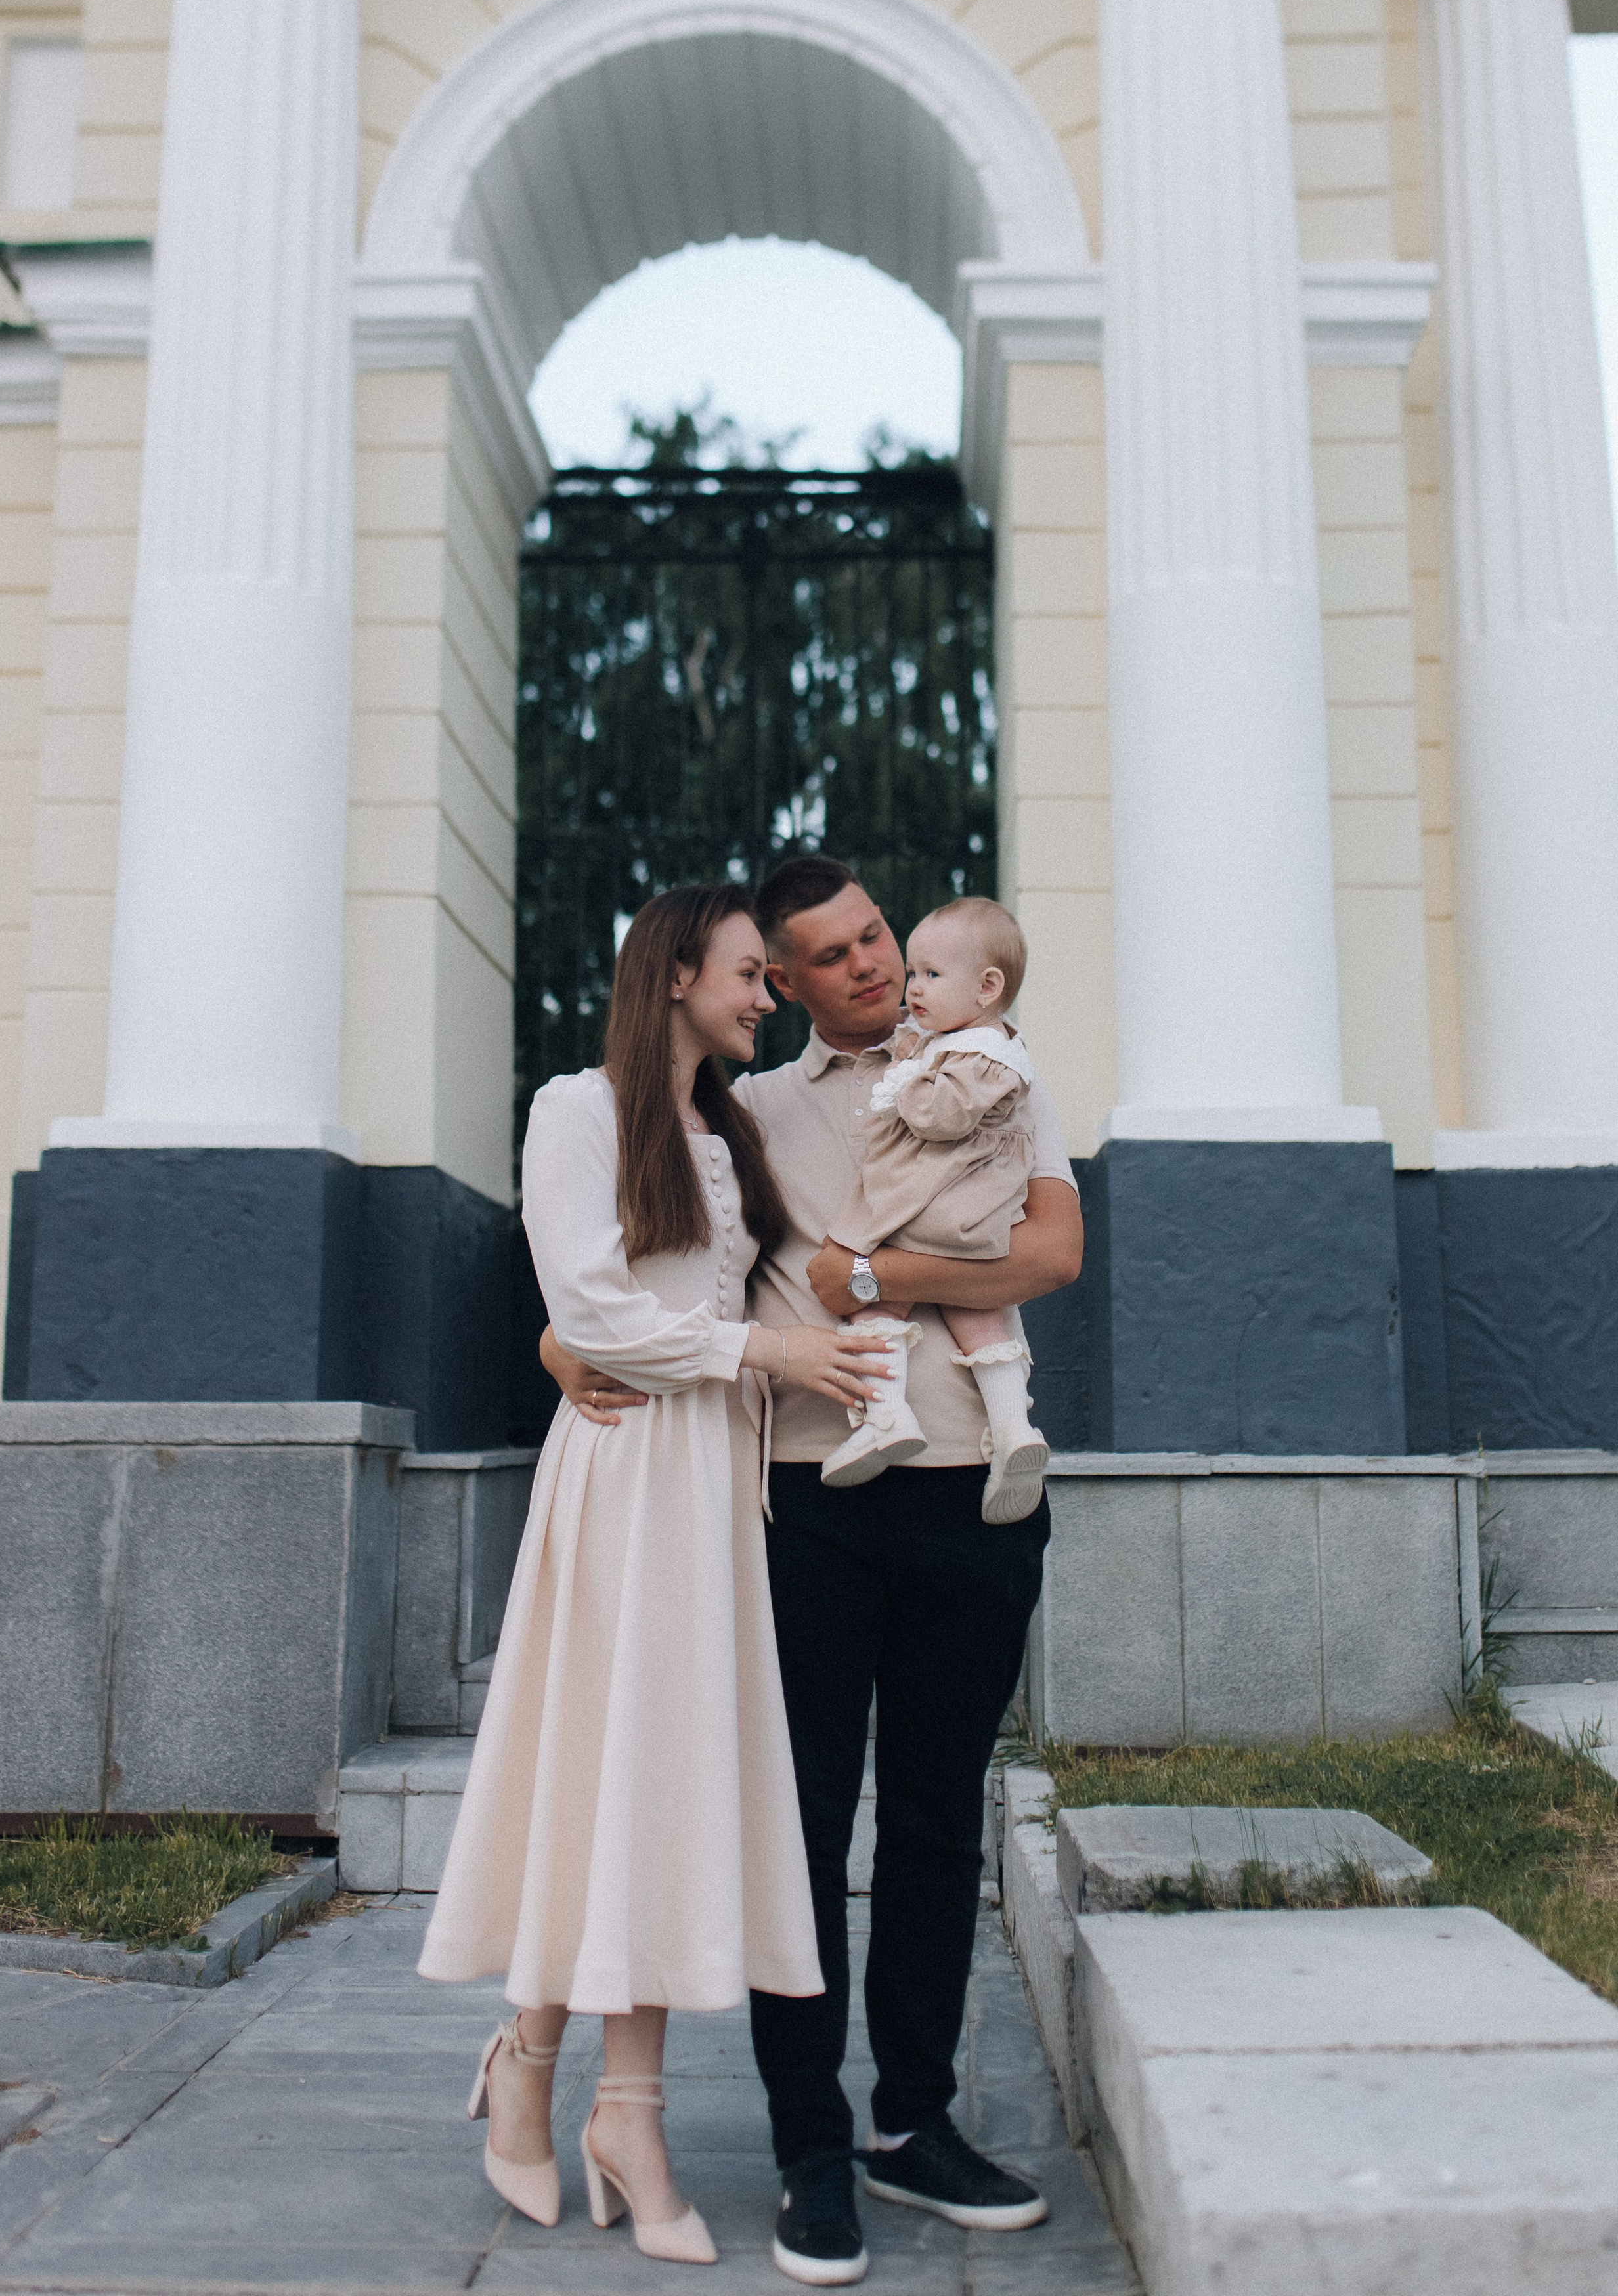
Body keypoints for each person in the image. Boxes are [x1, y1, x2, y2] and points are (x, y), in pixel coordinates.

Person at [546, 857, 1083, 2286]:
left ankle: (914, 2123)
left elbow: (1052, 1251)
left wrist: (874, 1280)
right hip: (806, 1505)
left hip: (977, 1491)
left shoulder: (998, 1066)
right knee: (800, 1827)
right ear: (777, 982)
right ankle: (810, 2149)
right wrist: (558, 1342)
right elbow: (659, 1269)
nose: (870, 964)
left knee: (936, 1822)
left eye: (877, 936)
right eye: (832, 954)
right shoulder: (749, 1112)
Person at [420, 884, 892, 2268]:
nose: (766, 994)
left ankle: (611, 2104)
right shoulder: (578, 1109)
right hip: (628, 1474)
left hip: (718, 1485)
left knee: (665, 1783)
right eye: (749, 972)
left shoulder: (728, 1132)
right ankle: (549, 2072)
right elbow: (589, 1305)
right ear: (677, 972)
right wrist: (762, 1354)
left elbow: (691, 1306)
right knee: (605, 1767)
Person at [821, 895, 1050, 1523]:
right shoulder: (977, 1045)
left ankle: (886, 1415)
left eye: (932, 975)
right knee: (978, 1314)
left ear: (987, 988)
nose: (913, 988)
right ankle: (1012, 1428)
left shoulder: (981, 1054)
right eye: (914, 972)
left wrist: (906, 1071)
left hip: (936, 1205)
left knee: (877, 1300)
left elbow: (940, 1118)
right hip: (975, 1219)